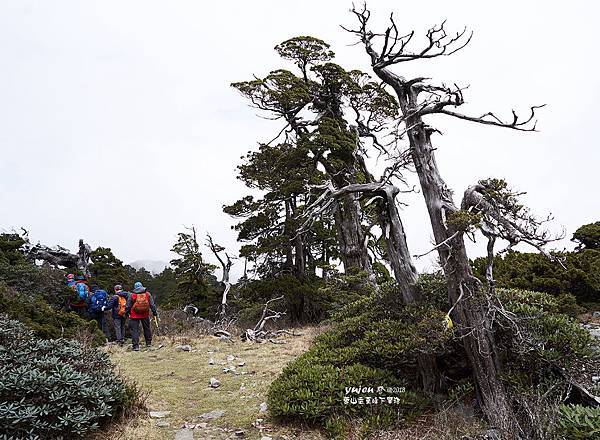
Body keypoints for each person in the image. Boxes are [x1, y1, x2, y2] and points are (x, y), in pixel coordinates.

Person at [125, 281, 158, 351]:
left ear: (135, 287)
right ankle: (148, 343)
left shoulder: (132, 295)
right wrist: (154, 312)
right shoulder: (147, 294)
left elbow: (128, 306)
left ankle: (136, 346)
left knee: (135, 330)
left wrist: (126, 313)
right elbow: (152, 304)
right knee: (147, 328)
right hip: (145, 314)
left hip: (134, 315)